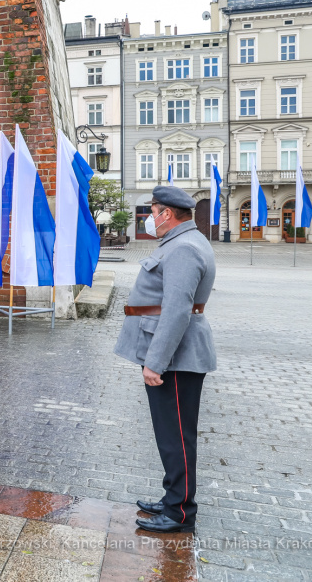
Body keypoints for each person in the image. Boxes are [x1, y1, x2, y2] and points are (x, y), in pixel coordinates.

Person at [113, 186, 217, 533]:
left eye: (151, 212)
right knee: (171, 433)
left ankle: (179, 513)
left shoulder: (184, 248)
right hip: (175, 354)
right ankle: (174, 496)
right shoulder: (183, 242)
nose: (148, 218)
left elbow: (176, 311)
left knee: (175, 436)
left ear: (166, 214)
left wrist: (155, 362)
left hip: (175, 357)